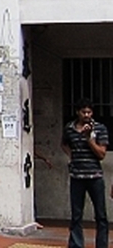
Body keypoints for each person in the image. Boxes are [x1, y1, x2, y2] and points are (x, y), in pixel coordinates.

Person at [62, 97, 108, 248]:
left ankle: (101, 245)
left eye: (89, 112)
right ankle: (76, 244)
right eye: (84, 112)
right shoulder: (69, 128)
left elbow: (101, 154)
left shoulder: (99, 128)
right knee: (76, 215)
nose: (87, 115)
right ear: (78, 112)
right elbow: (64, 144)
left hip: (95, 177)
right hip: (77, 177)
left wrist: (89, 140)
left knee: (100, 215)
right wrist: (72, 157)